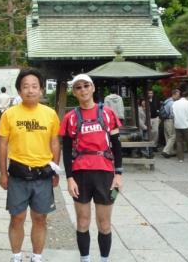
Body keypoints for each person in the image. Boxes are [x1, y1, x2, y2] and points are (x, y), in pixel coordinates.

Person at [0, 68, 61, 262]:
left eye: (35, 86)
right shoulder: (9, 115)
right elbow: (3, 144)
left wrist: (55, 170)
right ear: (19, 90)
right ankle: (16, 256)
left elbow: (55, 143)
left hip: (42, 176)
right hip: (18, 174)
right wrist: (2, 173)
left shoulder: (50, 114)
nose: (30, 90)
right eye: (25, 86)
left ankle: (37, 256)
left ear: (41, 90)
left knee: (40, 218)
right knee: (17, 217)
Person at [60, 74, 123, 262]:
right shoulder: (70, 118)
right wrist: (69, 178)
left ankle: (104, 259)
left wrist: (118, 174)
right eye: (78, 87)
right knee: (82, 221)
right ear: (74, 92)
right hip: (80, 174)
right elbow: (66, 149)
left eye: (86, 85)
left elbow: (117, 145)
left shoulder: (107, 114)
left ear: (93, 88)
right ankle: (85, 258)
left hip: (104, 172)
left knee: (104, 223)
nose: (83, 90)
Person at [172, 91, 188, 163]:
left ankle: (180, 158)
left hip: (177, 125)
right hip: (187, 125)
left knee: (179, 142)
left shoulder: (174, 103)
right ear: (187, 97)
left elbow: (173, 114)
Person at [161, 88, 181, 158]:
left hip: (165, 120)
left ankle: (170, 152)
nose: (179, 96)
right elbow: (172, 113)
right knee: (172, 136)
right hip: (170, 120)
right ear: (174, 94)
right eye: (178, 94)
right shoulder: (172, 102)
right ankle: (166, 151)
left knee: (168, 136)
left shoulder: (167, 101)